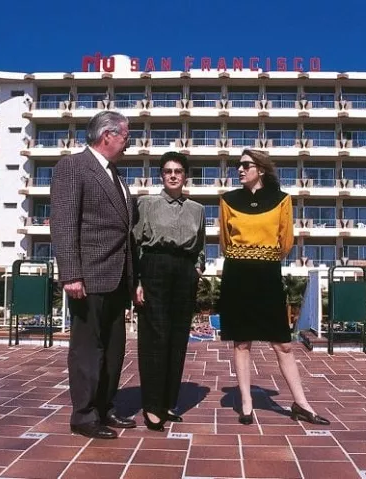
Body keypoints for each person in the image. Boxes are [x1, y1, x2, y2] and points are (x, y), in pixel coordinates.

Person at [218, 149, 330, 426]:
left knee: (283, 344)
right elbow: (224, 241)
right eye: (238, 166)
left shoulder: (282, 200)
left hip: (268, 275)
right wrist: (246, 258)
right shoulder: (227, 200)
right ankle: (246, 403)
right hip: (237, 275)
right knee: (241, 342)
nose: (240, 170)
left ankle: (301, 404)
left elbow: (286, 241)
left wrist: (263, 259)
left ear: (262, 169)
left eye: (246, 165)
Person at [51, 111, 137, 440]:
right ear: (107, 136)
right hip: (88, 276)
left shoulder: (114, 174)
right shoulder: (73, 167)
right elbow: (63, 223)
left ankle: (105, 407)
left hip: (117, 276)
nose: (128, 142)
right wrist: (71, 273)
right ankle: (84, 415)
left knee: (114, 348)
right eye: (126, 136)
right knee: (88, 348)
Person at [133, 151, 206, 432]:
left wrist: (197, 268)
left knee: (177, 338)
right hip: (154, 267)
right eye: (167, 171)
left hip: (184, 272)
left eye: (178, 171)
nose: (173, 175)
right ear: (161, 176)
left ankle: (167, 403)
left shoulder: (197, 209)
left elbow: (201, 244)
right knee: (155, 337)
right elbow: (135, 242)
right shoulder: (147, 204)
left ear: (186, 176)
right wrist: (136, 281)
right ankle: (152, 406)